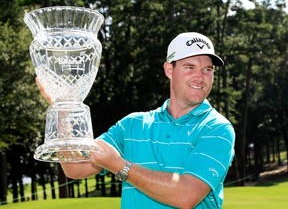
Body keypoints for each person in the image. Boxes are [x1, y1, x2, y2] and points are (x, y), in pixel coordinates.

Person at [36, 32, 235, 209]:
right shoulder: (132, 125)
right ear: (169, 70)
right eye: (189, 67)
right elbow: (76, 168)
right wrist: (61, 108)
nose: (200, 77)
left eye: (208, 69)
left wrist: (121, 166)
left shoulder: (217, 128)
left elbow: (186, 195)